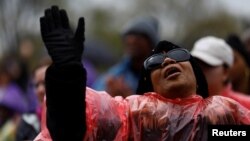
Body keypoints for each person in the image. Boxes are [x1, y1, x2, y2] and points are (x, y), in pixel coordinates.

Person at [35, 6, 250, 141]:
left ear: (196, 76)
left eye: (177, 54)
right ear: (150, 86)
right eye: (155, 61)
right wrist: (66, 73)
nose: (167, 60)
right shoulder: (132, 115)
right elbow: (70, 131)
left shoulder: (223, 114)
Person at [92, 15, 160, 97]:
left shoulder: (160, 75)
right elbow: (95, 96)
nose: (132, 40)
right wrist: (110, 98)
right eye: (129, 35)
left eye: (139, 37)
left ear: (151, 44)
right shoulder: (115, 75)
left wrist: (130, 99)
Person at [191, 36, 250, 109]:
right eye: (195, 64)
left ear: (225, 72)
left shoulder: (245, 106)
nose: (199, 70)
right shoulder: (183, 107)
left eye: (207, 64)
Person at [15, 56, 51, 141]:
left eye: (45, 83)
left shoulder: (70, 120)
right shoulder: (27, 122)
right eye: (36, 85)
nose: (40, 90)